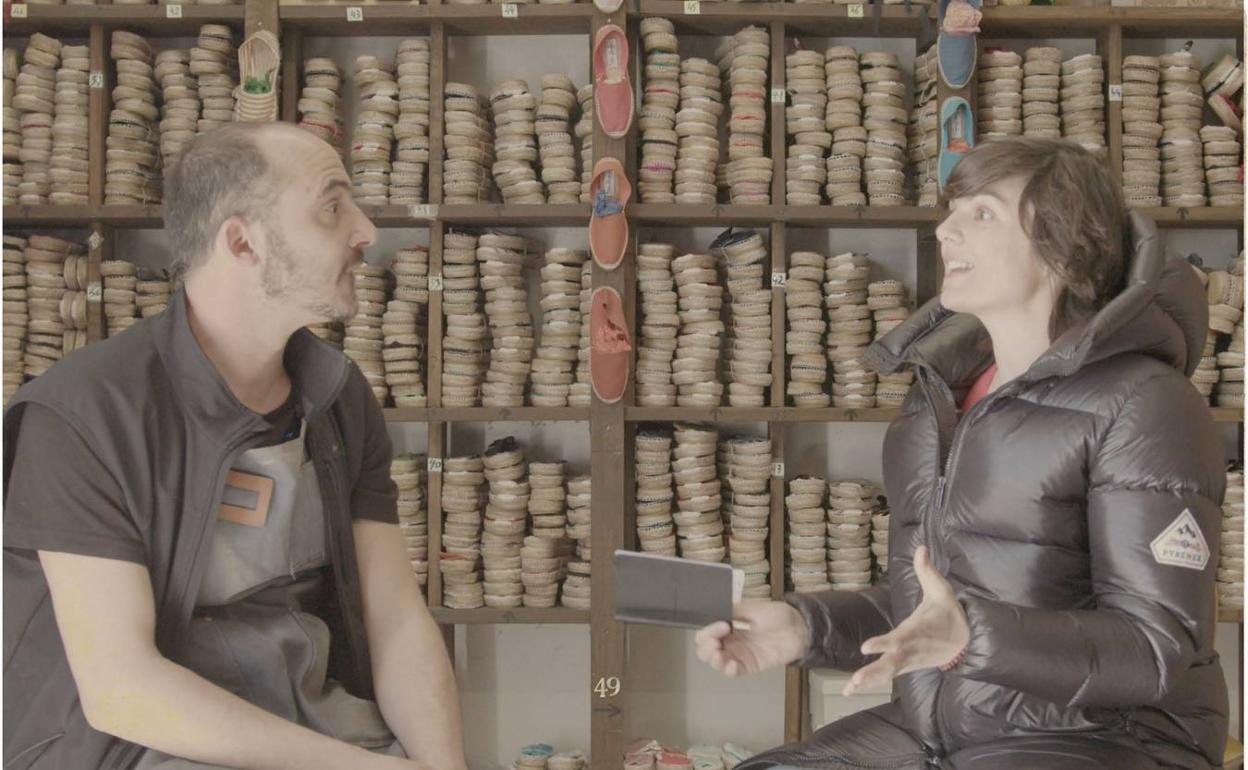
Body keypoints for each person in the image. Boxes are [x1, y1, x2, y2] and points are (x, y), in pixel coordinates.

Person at [695, 137, 1228, 770]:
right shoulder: (938, 406)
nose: (946, 231)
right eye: (952, 211)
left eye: (982, 213)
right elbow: (932, 610)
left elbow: (1152, 647)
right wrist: (805, 626)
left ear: (1064, 245)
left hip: (1108, 737)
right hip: (945, 724)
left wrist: (969, 636)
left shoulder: (1144, 405)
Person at [3, 122, 467, 770]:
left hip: (314, 723)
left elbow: (395, 620)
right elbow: (121, 690)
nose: (366, 231)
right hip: (131, 748)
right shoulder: (84, 415)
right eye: (332, 207)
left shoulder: (337, 396)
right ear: (242, 242)